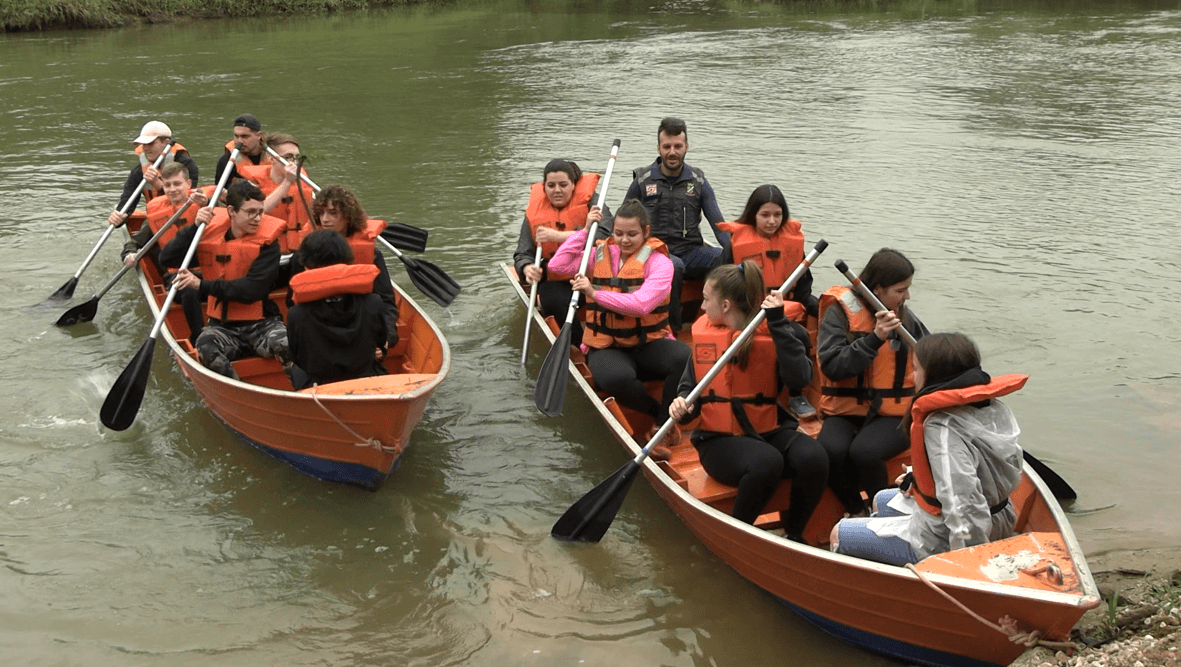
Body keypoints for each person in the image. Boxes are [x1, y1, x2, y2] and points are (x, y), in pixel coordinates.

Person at [829, 333, 1024, 565]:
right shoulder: (992, 407)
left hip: (950, 538)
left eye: (916, 369)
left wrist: (967, 563)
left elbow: (963, 503)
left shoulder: (942, 426)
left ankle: (888, 588)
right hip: (1002, 515)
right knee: (881, 500)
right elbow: (978, 469)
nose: (913, 376)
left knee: (838, 533)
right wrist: (918, 476)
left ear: (933, 375)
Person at [668, 262, 827, 541]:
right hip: (718, 441)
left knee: (815, 458)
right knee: (768, 462)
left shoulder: (775, 332)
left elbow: (800, 377)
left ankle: (795, 534)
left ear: (726, 305)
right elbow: (687, 387)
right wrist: (681, 403)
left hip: (767, 428)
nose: (702, 308)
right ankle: (736, 536)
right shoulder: (707, 336)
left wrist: (778, 324)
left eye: (706, 299)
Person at [547, 199, 690, 454]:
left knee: (684, 356)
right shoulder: (599, 255)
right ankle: (660, 414)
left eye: (632, 234)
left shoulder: (660, 263)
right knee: (615, 378)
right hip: (607, 345)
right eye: (619, 233)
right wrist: (585, 230)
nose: (624, 240)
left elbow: (641, 305)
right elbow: (557, 266)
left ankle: (662, 428)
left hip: (648, 343)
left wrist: (594, 292)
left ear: (646, 232)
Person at [816, 248, 929, 516]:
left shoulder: (904, 316)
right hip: (847, 409)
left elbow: (930, 351)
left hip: (894, 412)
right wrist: (874, 338)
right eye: (901, 290)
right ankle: (857, 511)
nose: (907, 297)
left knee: (864, 453)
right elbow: (833, 366)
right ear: (878, 289)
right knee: (828, 453)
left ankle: (887, 515)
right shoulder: (839, 312)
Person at [160, 180, 289, 380]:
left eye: (261, 212)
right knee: (205, 345)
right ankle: (238, 395)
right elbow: (167, 258)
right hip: (223, 327)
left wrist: (201, 285)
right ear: (231, 211)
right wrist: (194, 228)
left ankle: (306, 391)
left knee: (288, 343)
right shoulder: (211, 235)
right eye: (250, 212)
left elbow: (252, 290)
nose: (258, 218)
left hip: (262, 325)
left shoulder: (268, 245)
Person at [718, 184, 817, 419]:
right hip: (746, 312)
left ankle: (796, 395)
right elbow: (720, 285)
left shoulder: (793, 244)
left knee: (802, 333)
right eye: (765, 215)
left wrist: (825, 312)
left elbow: (803, 289)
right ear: (753, 215)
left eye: (777, 215)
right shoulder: (736, 245)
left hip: (780, 311)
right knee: (797, 335)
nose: (772, 221)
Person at [621, 117, 728, 331]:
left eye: (678, 146)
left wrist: (739, 250)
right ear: (659, 147)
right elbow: (622, 221)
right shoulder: (642, 181)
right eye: (667, 146)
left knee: (726, 259)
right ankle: (673, 329)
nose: (672, 152)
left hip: (691, 251)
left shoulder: (698, 181)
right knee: (674, 266)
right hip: (653, 253)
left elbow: (719, 226)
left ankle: (717, 320)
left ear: (686, 146)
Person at [512, 158, 609, 344]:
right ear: (544, 187)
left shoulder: (593, 202)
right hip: (557, 280)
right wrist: (526, 268)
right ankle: (576, 345)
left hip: (591, 274)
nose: (557, 190)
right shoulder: (534, 211)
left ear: (573, 185)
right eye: (551, 185)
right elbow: (522, 253)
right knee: (551, 298)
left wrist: (557, 236)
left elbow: (605, 236)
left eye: (563, 185)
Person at [297, 185, 400, 350]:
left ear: (348, 217)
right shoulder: (308, 252)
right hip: (321, 325)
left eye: (333, 213)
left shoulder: (372, 254)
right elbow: (294, 300)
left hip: (358, 322)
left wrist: (386, 337)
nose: (325, 220)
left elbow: (385, 300)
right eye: (321, 213)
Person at [287, 230, 390, 390]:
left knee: (295, 368)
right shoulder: (373, 302)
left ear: (306, 266)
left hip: (318, 386)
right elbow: (380, 342)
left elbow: (298, 357)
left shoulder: (296, 313)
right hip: (366, 380)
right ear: (346, 261)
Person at [107, 121, 198, 226]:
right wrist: (119, 216)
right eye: (144, 144)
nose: (146, 148)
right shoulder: (138, 172)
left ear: (166, 142)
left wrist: (158, 184)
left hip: (183, 216)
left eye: (151, 144)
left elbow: (188, 201)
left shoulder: (186, 164)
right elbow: (127, 202)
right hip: (156, 217)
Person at [119, 162, 208, 270]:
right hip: (175, 273)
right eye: (167, 185)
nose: (172, 189)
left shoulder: (206, 203)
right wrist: (129, 254)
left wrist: (207, 204)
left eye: (177, 184)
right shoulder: (158, 212)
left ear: (188, 184)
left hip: (207, 268)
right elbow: (135, 242)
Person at [237, 133, 316, 254]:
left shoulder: (304, 182)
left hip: (299, 251)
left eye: (296, 157)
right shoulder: (252, 184)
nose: (293, 162)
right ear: (271, 158)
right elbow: (259, 211)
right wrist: (287, 182)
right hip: (266, 250)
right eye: (288, 157)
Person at [213, 113, 271, 186]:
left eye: (245, 136)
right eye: (236, 136)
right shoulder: (226, 161)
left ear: (258, 135)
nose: (239, 141)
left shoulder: (274, 156)